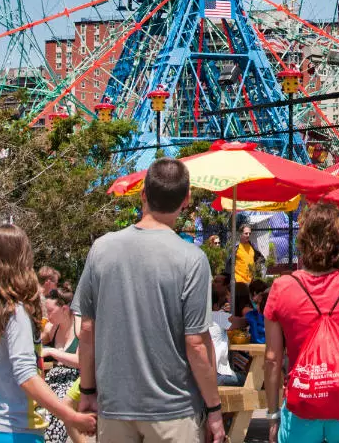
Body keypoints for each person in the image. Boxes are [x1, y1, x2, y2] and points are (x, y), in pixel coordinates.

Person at [76, 158, 224, 443]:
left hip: (114, 405)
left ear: (143, 195)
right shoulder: (192, 259)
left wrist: (87, 391)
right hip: (173, 409)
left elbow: (87, 329)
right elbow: (195, 343)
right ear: (186, 199)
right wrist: (214, 408)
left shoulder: (101, 249)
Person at [263, 201, 339, 442]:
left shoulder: (282, 288)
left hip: (301, 399)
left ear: (303, 240)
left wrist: (274, 414)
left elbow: (272, 359)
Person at [0, 224, 95, 443]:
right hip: (16, 430)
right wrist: (70, 415)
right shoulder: (15, 311)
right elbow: (26, 375)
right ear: (22, 259)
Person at [40, 287, 81, 443]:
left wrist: (52, 351)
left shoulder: (79, 326)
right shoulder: (52, 328)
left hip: (75, 379)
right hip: (53, 378)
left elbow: (81, 361)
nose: (47, 315)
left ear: (64, 309)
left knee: (54, 411)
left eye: (50, 311)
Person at [209, 286, 244, 387]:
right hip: (217, 376)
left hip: (194, 376)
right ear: (215, 305)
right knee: (250, 381)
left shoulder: (191, 319)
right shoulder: (217, 316)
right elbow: (243, 322)